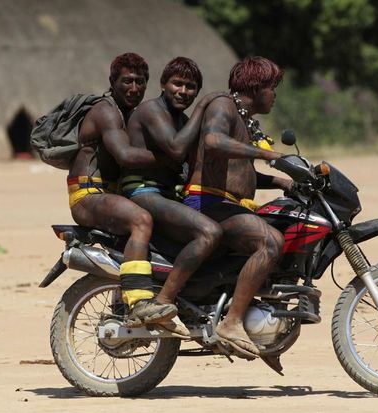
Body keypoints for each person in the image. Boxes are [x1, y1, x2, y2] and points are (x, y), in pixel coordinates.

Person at [182, 56, 292, 358]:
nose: (275, 95)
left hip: (226, 203)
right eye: (272, 87)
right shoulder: (223, 105)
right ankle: (231, 324)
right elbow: (214, 141)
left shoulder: (243, 119)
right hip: (207, 201)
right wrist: (265, 154)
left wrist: (284, 183)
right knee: (271, 242)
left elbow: (239, 173)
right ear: (257, 87)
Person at [68, 52, 178, 328]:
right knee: (141, 220)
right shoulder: (107, 111)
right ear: (112, 81)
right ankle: (139, 301)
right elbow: (125, 156)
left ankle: (124, 303)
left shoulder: (131, 114)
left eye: (140, 82)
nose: (134, 88)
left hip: (113, 196)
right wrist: (173, 159)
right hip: (88, 195)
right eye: (127, 81)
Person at [125, 57, 226, 314]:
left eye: (191, 87)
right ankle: (164, 300)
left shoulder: (181, 120)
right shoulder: (150, 111)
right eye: (177, 84)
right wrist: (203, 105)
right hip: (142, 191)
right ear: (163, 84)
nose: (183, 91)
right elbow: (176, 148)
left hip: (168, 195)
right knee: (209, 232)